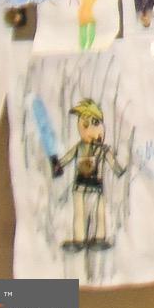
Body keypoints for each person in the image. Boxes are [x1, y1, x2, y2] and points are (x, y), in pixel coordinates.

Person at [49, 98, 127, 253]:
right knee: (79, 212)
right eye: (84, 124)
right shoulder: (80, 147)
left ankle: (99, 238)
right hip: (80, 184)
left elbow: (113, 162)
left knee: (99, 211)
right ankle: (79, 239)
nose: (87, 128)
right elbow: (68, 157)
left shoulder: (102, 150)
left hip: (96, 184)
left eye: (93, 123)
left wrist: (120, 170)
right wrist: (58, 165)